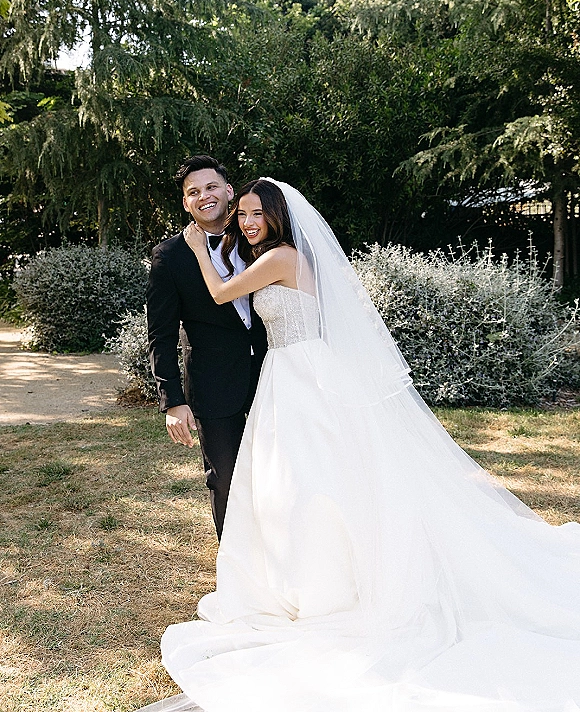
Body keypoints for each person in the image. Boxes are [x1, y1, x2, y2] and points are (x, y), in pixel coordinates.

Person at [160, 179, 580, 712]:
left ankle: (325, 588)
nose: (246, 221)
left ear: (279, 215)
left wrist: (198, 247)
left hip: (301, 375)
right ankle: (305, 576)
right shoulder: (276, 255)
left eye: (256, 212)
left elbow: (222, 293)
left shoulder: (282, 257)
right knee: (301, 482)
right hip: (290, 374)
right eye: (242, 213)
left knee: (309, 482)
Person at [146, 156, 267, 539]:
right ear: (185, 203)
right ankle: (237, 569)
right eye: (193, 192)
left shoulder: (259, 237)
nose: (204, 196)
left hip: (273, 373)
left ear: (229, 191)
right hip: (213, 384)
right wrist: (173, 401)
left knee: (279, 472)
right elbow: (160, 334)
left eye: (211, 187)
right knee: (226, 480)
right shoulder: (170, 257)